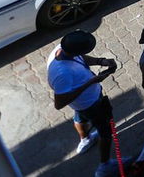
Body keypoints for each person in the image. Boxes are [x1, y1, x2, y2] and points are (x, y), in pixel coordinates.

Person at [47, 30, 117, 176]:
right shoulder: (62, 74)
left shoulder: (62, 49)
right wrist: (90, 82)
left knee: (79, 118)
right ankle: (105, 166)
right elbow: (59, 103)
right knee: (106, 133)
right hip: (89, 104)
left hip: (83, 104)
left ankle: (85, 139)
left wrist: (100, 61)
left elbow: (80, 58)